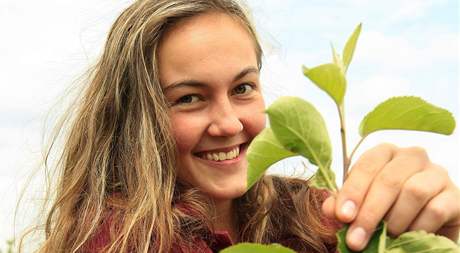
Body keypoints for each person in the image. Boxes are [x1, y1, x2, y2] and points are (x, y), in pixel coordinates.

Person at [20, 0, 460, 252]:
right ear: (139, 118)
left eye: (243, 88)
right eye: (189, 98)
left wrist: (434, 228)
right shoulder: (120, 241)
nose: (229, 122)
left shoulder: (306, 213)